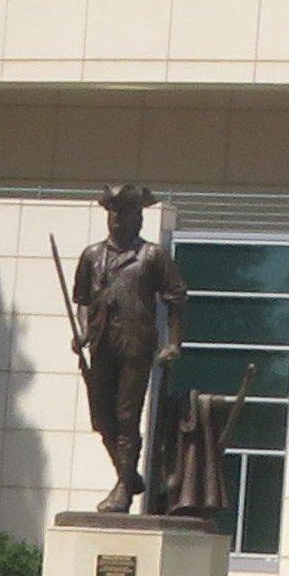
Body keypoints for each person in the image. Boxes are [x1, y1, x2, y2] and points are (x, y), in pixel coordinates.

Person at [68, 184, 187, 514]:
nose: (119, 219)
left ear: (140, 218)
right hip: (101, 344)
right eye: (114, 212)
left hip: (136, 345)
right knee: (101, 417)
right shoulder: (92, 256)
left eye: (127, 213)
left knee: (126, 415)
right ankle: (128, 474)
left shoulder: (152, 256)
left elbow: (176, 298)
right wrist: (83, 332)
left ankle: (123, 488)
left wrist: (173, 342)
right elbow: (83, 300)